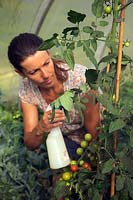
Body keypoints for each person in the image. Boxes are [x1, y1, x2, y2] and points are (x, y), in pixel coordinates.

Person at [8, 32, 100, 159]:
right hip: (68, 140)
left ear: (49, 53)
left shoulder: (79, 79)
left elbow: (95, 130)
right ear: (21, 73)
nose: (45, 75)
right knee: (60, 174)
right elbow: (30, 143)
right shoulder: (27, 89)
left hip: (97, 136)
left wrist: (96, 161)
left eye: (46, 63)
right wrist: (40, 127)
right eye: (34, 72)